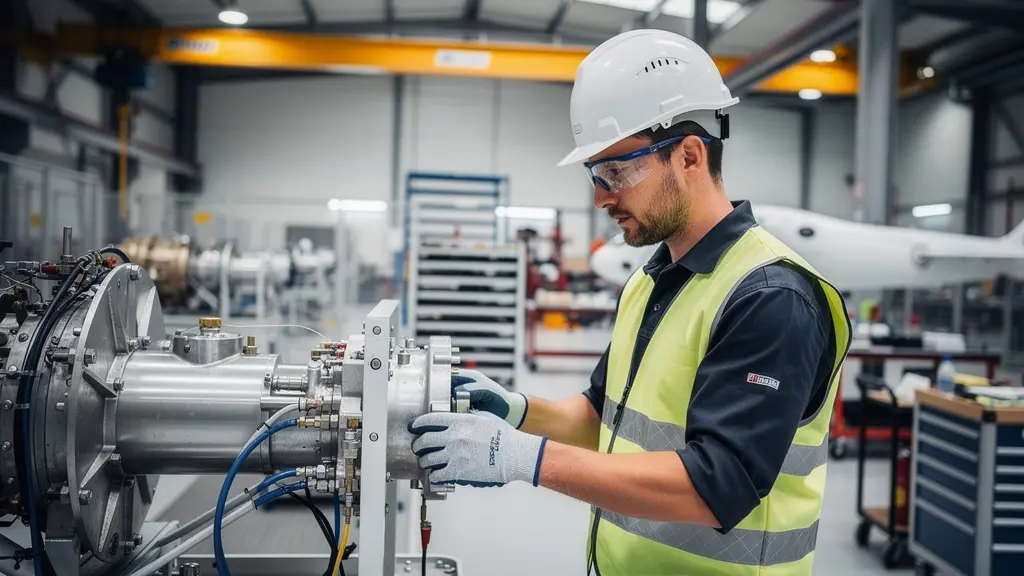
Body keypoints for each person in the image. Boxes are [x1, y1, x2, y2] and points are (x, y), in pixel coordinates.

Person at [408, 29, 852, 576]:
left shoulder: (770, 298)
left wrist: (523, 459)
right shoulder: (653, 279)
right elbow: (603, 418)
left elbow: (717, 485)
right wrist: (518, 411)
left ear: (689, 156)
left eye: (616, 171)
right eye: (596, 174)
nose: (600, 196)